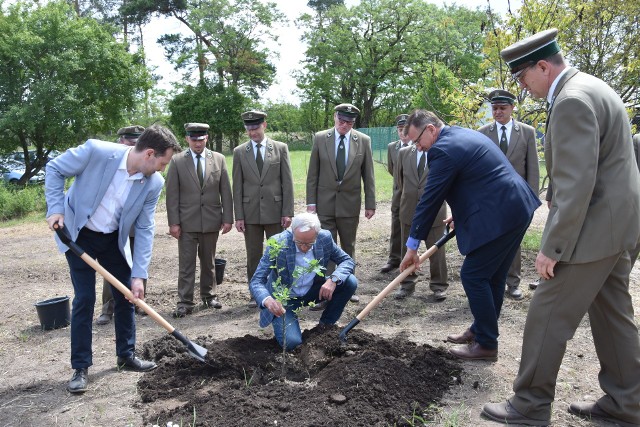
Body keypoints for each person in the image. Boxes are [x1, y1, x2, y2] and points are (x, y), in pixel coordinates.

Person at [482, 29, 640, 427]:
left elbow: (576, 184)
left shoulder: (570, 100)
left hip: (593, 227)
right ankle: (628, 402)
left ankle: (530, 405)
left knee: (546, 312)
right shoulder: (594, 86)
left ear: (543, 66)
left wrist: (553, 247)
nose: (521, 86)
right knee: (612, 313)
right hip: (620, 225)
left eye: (522, 77)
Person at [45, 125, 182, 393]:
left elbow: (144, 228)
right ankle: (81, 367)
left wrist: (140, 274)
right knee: (85, 298)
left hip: (112, 239)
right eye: (162, 163)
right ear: (149, 154)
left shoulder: (153, 183)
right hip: (78, 235)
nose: (162, 169)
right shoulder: (96, 152)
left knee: (128, 295)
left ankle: (126, 356)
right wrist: (55, 209)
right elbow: (54, 169)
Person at [399, 110, 540, 362]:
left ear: (431, 129)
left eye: (417, 140)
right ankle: (481, 330)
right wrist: (460, 213)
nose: (418, 148)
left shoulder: (441, 150)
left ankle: (486, 344)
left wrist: (412, 246)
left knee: (473, 275)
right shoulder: (460, 135)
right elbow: (477, 179)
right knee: (492, 276)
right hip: (515, 206)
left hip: (503, 213)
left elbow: (429, 200)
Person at [249, 212, 357, 350]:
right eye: (299, 242)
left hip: (313, 291)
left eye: (309, 243)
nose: (304, 247)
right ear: (292, 232)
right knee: (293, 343)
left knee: (350, 282)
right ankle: (289, 330)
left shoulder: (325, 238)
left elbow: (347, 261)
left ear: (317, 235)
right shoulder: (278, 243)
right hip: (284, 299)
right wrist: (267, 300)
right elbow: (257, 280)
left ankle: (325, 326)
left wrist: (333, 280)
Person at [306, 103, 375, 305]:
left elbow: (368, 176)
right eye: (341, 121)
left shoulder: (363, 141)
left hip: (350, 204)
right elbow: (313, 174)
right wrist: (311, 203)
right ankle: (324, 290)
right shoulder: (320, 138)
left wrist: (370, 203)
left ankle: (347, 285)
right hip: (324, 204)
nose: (344, 125)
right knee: (324, 248)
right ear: (334, 117)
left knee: (348, 246)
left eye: (349, 122)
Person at [165, 123, 233, 318]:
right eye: (193, 139)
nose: (197, 143)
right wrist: (173, 223)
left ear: (207, 138)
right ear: (187, 139)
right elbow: (172, 195)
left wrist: (228, 217)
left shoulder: (218, 159)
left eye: (201, 139)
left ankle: (209, 296)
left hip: (211, 220)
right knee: (186, 264)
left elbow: (225, 191)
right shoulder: (177, 161)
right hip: (186, 222)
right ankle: (185, 301)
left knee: (209, 262)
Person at [477, 90, 539, 300]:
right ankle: (493, 279)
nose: (498, 112)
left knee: (514, 241)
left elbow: (532, 168)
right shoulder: (483, 132)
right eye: (494, 108)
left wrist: (531, 199)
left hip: (517, 199)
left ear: (512, 108)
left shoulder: (527, 132)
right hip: (491, 199)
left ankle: (513, 283)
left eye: (502, 108)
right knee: (491, 239)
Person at [233, 110, 294, 307]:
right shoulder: (240, 152)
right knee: (254, 256)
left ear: (264, 125)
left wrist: (287, 211)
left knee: (278, 253)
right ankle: (256, 294)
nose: (252, 133)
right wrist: (239, 216)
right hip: (250, 213)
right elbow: (238, 186)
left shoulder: (280, 148)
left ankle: (279, 291)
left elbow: (287, 182)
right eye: (249, 129)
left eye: (256, 128)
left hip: (275, 212)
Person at [96, 125, 146, 325]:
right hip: (113, 228)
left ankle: (138, 304)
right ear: (121, 141)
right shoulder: (110, 163)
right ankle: (108, 308)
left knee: (138, 265)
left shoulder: (144, 164)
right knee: (112, 269)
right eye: (130, 142)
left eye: (137, 143)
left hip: (136, 225)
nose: (133, 146)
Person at [393, 141, 449, 301]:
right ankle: (407, 284)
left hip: (435, 211)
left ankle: (439, 285)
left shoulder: (440, 152)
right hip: (408, 209)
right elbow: (399, 181)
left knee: (437, 250)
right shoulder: (403, 153)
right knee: (408, 249)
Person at [380, 114, 411, 274]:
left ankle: (412, 259)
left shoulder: (419, 145)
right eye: (400, 129)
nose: (402, 133)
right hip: (398, 194)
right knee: (396, 227)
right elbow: (392, 170)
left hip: (415, 193)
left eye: (405, 129)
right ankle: (394, 259)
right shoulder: (392, 147)